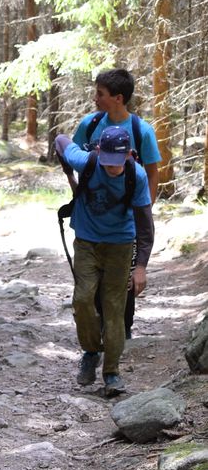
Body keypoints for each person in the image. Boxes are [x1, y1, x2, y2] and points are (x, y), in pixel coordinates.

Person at [55, 126, 154, 397]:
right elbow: (60, 140)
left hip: (120, 246)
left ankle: (111, 372)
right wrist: (69, 176)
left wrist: (141, 267)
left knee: (114, 308)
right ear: (99, 152)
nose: (112, 168)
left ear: (128, 155)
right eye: (107, 162)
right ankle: (90, 352)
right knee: (82, 299)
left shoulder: (137, 176)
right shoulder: (85, 161)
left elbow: (145, 225)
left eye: (117, 163)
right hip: (86, 242)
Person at [72, 68, 161, 339]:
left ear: (118, 98)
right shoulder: (89, 125)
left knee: (124, 283)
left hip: (126, 221)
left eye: (100, 94)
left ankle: (122, 331)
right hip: (92, 218)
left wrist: (145, 207)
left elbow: (152, 172)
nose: (95, 98)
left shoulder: (141, 131)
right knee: (92, 282)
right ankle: (97, 335)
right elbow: (73, 157)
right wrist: (77, 191)